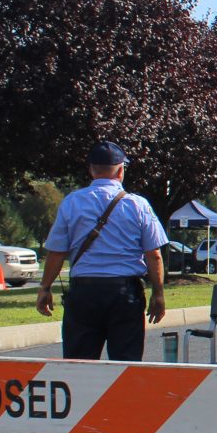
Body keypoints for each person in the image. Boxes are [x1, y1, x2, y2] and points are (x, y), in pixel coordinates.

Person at [35, 141, 168, 363]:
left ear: (91, 170)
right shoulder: (138, 205)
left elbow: (56, 253)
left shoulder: (72, 203)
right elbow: (153, 254)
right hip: (125, 294)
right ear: (121, 170)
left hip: (84, 293)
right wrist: (158, 293)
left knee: (79, 365)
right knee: (126, 367)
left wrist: (45, 287)